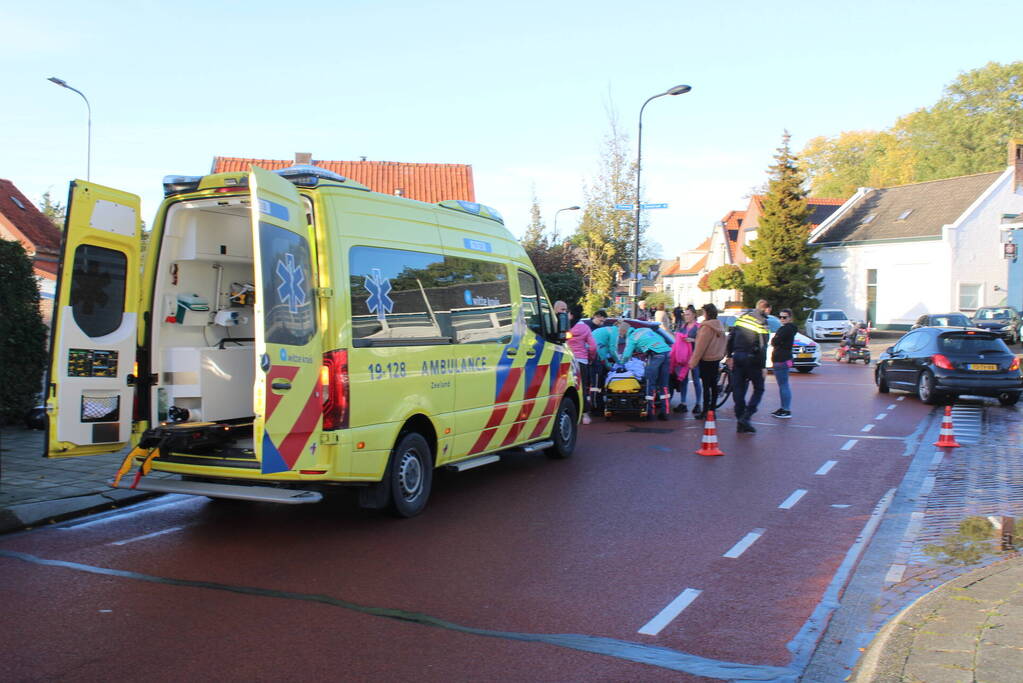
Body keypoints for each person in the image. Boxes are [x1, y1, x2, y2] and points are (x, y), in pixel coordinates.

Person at [726, 299, 771, 433]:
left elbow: (731, 337)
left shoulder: (742, 318)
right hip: (753, 360)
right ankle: (747, 416)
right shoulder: (762, 322)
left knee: (738, 388)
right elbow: (763, 346)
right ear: (766, 309)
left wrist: (729, 355)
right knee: (759, 388)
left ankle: (740, 420)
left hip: (738, 357)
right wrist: (763, 366)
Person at [617, 320, 672, 420]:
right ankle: (666, 412)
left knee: (649, 383)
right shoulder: (645, 329)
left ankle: (650, 412)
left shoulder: (631, 337)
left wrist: (619, 363)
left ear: (623, 332)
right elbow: (660, 339)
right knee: (664, 385)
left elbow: (626, 355)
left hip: (655, 354)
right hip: (667, 352)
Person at [687, 303, 727, 417]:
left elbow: (700, 346)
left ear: (706, 313)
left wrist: (693, 362)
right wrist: (721, 354)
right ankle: (712, 410)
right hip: (716, 359)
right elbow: (724, 343)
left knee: (706, 386)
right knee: (713, 385)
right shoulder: (720, 326)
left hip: (706, 359)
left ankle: (705, 411)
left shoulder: (706, 327)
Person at [673, 307, 703, 417]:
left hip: (694, 357)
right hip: (684, 358)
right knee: (683, 380)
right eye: (685, 315)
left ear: (694, 315)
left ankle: (698, 404)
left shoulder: (699, 327)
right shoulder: (683, 327)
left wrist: (693, 340)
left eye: (688, 314)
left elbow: (703, 341)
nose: (686, 316)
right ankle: (683, 403)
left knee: (696, 380)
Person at [566, 319, 596, 424]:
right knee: (582, 387)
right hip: (581, 361)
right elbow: (593, 346)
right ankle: (585, 415)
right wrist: (591, 358)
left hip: (567, 359)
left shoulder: (565, 326)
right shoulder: (586, 328)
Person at [770, 308, 797, 419]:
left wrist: (775, 339)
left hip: (781, 359)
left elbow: (774, 342)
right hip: (786, 358)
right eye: (780, 317)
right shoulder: (790, 329)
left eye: (784, 317)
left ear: (790, 318)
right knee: (783, 385)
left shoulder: (785, 329)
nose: (782, 319)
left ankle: (786, 409)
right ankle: (784, 408)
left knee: (783, 385)